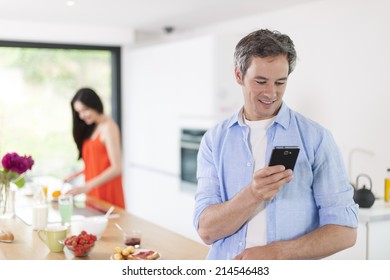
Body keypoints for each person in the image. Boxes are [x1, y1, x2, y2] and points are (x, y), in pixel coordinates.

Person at [193, 29, 358, 260]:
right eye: (261, 81)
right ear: (239, 75)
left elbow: (345, 232)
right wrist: (254, 194)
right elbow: (207, 231)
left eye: (280, 82)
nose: (271, 93)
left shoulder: (317, 139)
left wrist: (276, 253)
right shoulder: (214, 140)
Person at [64, 87, 125, 208]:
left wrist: (86, 186)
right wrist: (78, 174)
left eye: (85, 110)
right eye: (79, 112)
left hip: (107, 191)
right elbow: (98, 162)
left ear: (95, 105)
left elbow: (116, 167)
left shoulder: (109, 128)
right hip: (93, 191)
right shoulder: (93, 127)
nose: (82, 116)